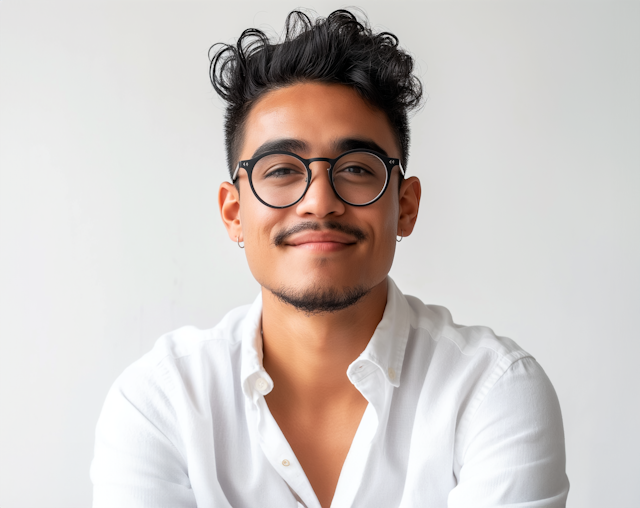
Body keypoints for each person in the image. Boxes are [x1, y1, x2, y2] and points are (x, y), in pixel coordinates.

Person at [91, 9, 569, 508]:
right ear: (234, 212)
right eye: (281, 170)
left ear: (404, 206)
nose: (319, 201)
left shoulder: (492, 392)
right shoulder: (160, 402)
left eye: (357, 168)